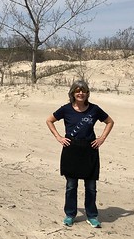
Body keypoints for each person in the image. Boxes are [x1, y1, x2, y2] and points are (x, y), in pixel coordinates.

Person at [46, 80, 114, 228]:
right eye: (77, 91)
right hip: (71, 149)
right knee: (71, 185)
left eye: (83, 91)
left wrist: (101, 139)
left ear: (87, 93)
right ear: (72, 93)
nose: (80, 93)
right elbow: (49, 120)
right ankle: (70, 214)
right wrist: (59, 137)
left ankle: (92, 215)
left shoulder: (94, 110)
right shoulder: (66, 109)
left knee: (91, 186)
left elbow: (109, 122)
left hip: (89, 150)